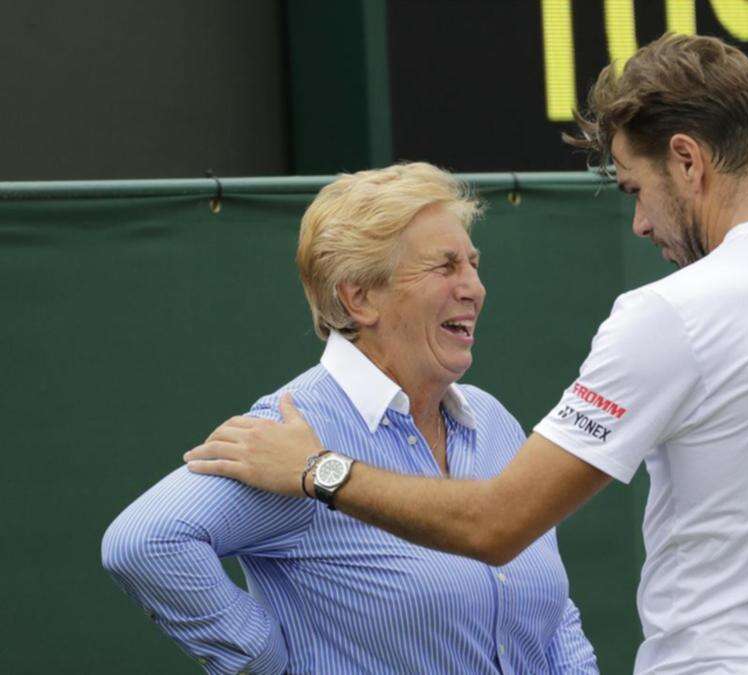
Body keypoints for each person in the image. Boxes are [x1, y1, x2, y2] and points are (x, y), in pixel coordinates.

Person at [186, 35, 748, 675]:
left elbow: (495, 524)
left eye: (638, 189)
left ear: (688, 160)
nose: (640, 224)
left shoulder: (670, 315)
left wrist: (319, 469)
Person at [102, 163, 598, 674]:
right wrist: (271, 663)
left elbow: (555, 613)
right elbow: (145, 541)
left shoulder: (492, 420)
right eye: (445, 267)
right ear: (359, 297)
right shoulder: (291, 432)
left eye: (473, 264)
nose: (474, 287)